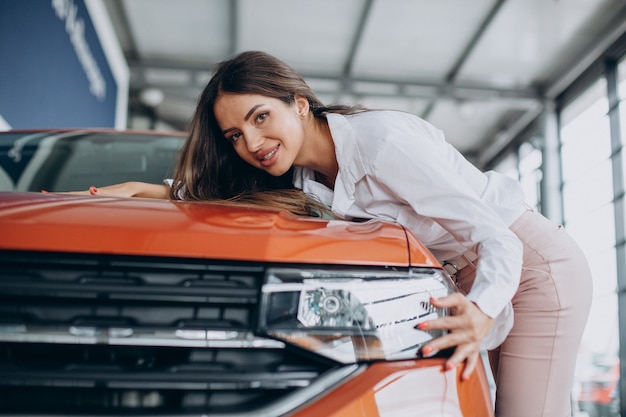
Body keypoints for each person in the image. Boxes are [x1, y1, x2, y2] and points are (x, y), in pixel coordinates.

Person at [74, 51, 592, 417]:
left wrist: (482, 309)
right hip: (468, 280)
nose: (252, 142)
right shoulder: (302, 180)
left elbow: (493, 232)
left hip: (531, 265)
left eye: (261, 117)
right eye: (235, 135)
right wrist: (148, 192)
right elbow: (222, 197)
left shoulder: (383, 142)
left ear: (299, 103)